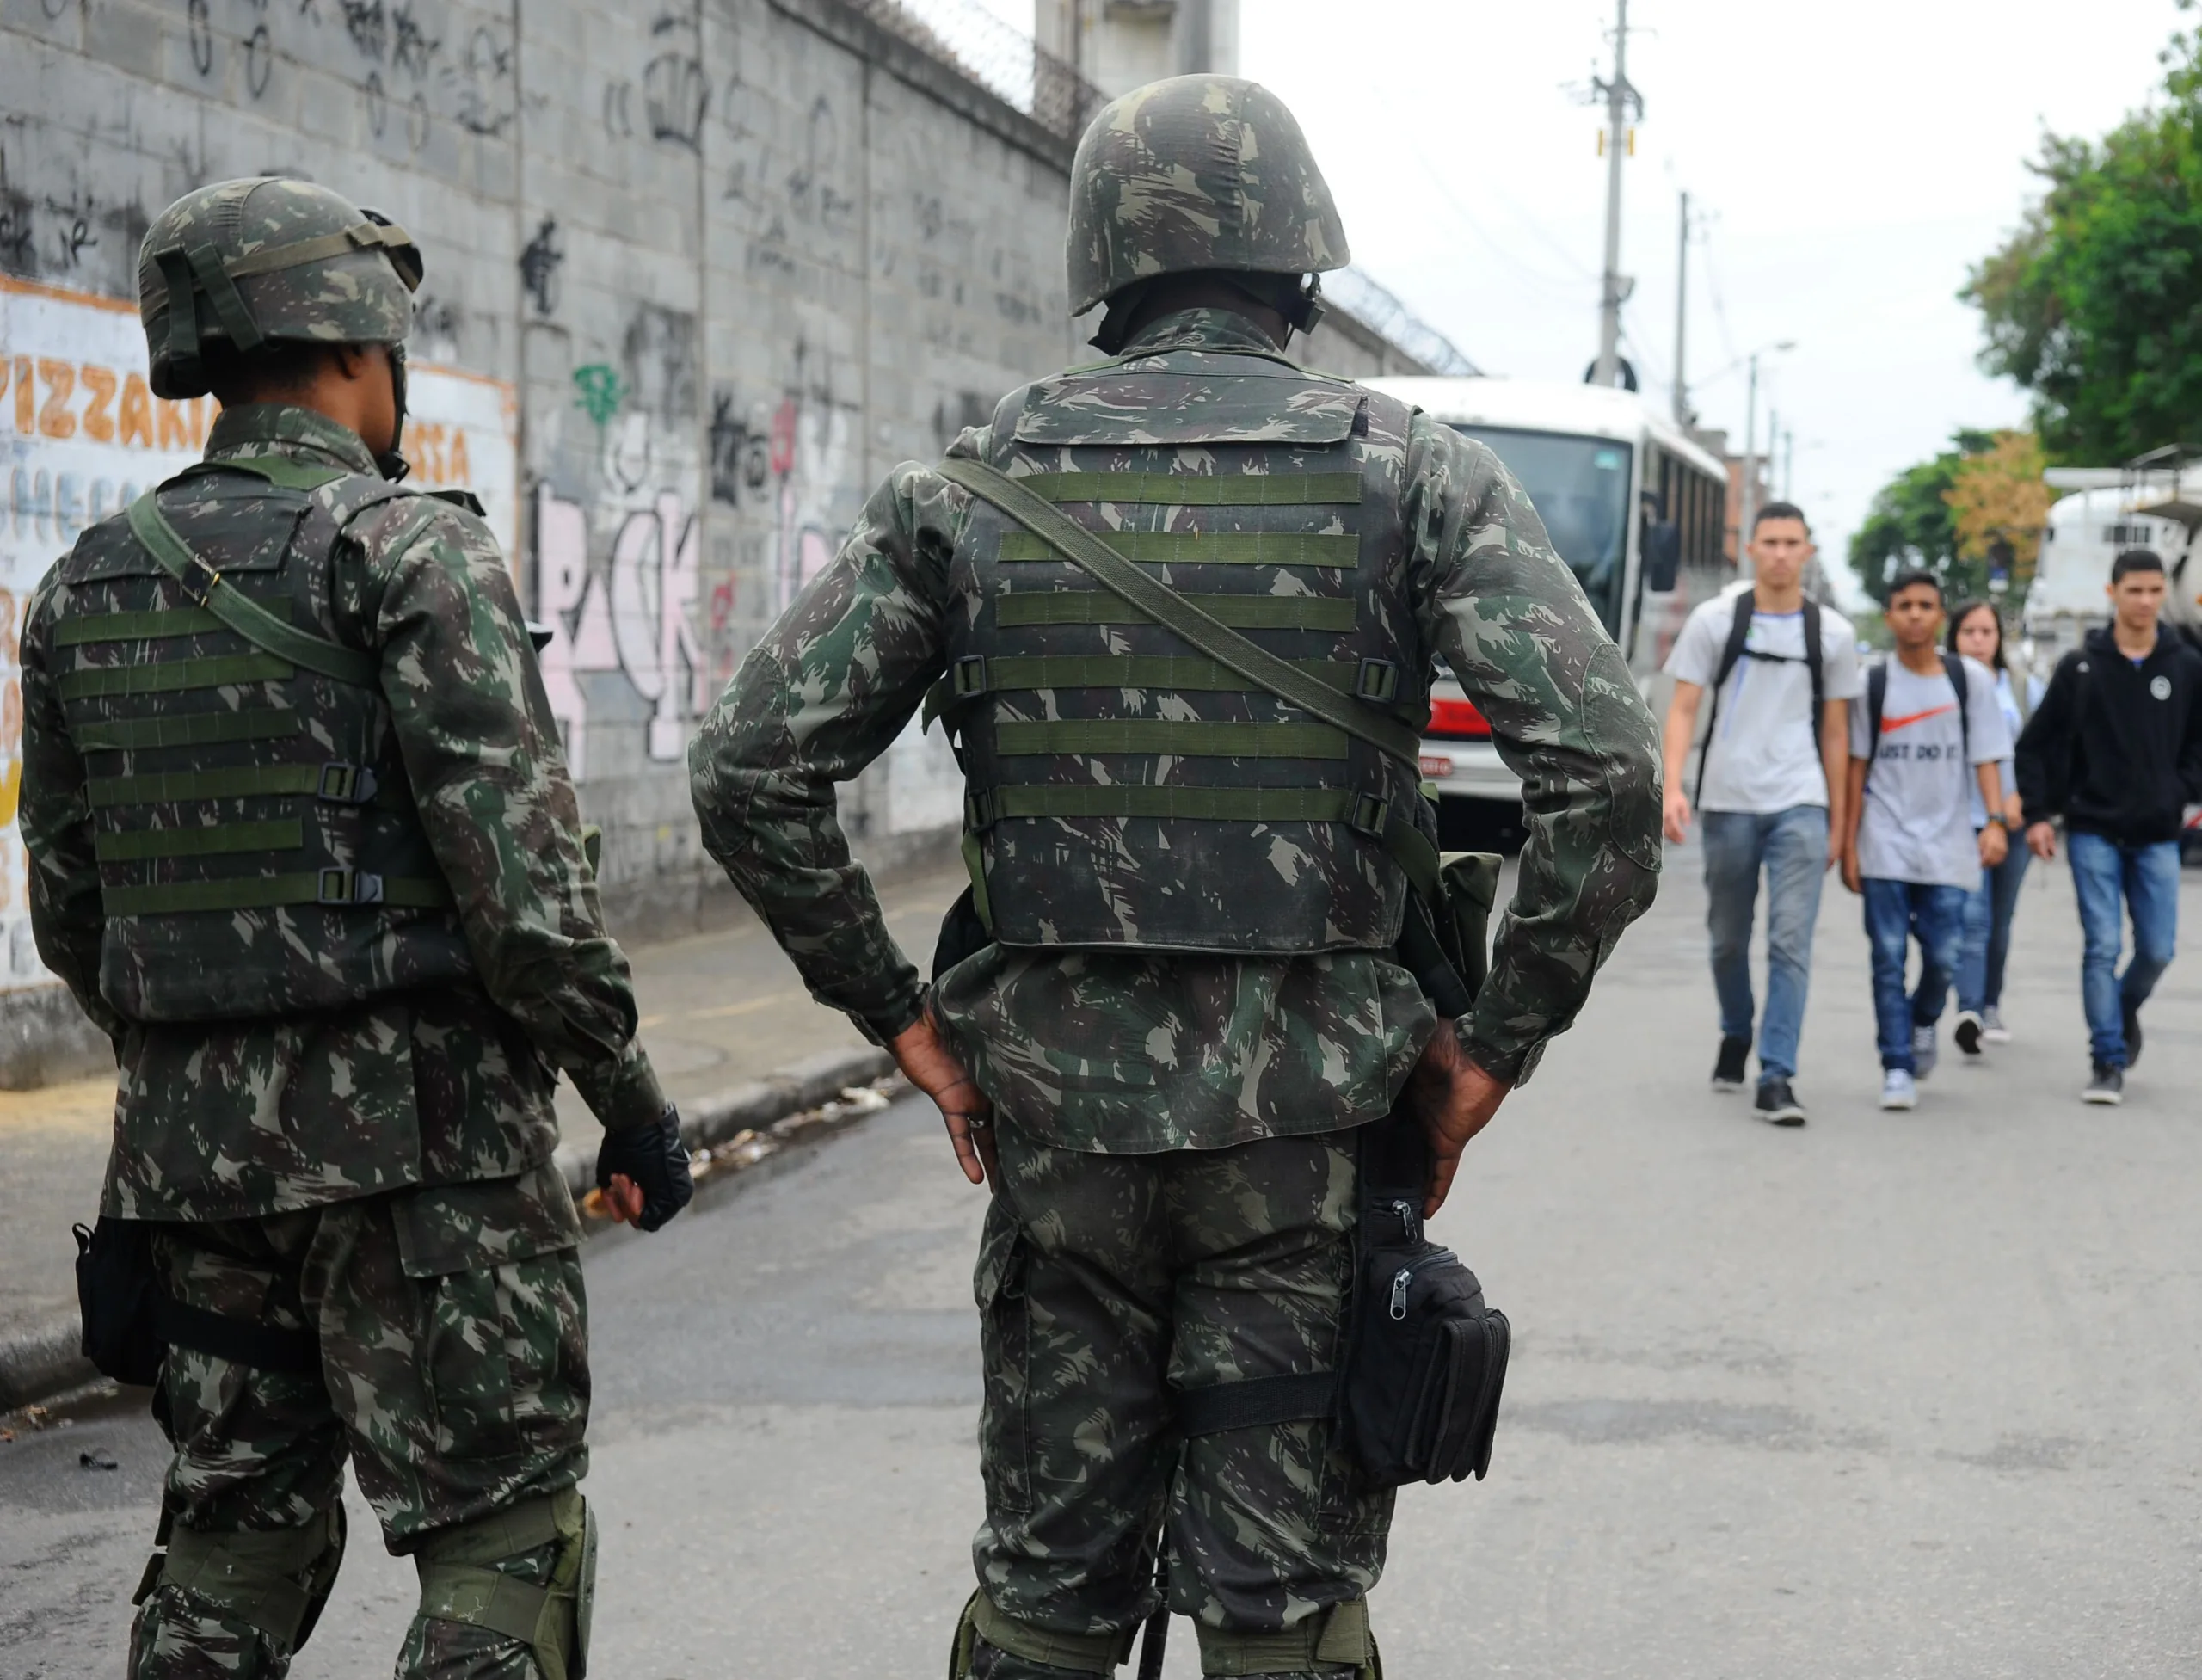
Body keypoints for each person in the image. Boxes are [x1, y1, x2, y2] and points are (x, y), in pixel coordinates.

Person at [689, 75, 1662, 1680]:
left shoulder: (967, 490)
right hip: (1307, 1147)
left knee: (1047, 1597)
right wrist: (1491, 1048)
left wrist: (900, 1018)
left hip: (1057, 1140)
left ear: (1105, 270)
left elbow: (747, 765)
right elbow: (1610, 775)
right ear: (1303, 270)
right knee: (1278, 1613)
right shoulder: (1410, 472)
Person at [18, 177, 694, 1680]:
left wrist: (209, 1046)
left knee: (232, 1531)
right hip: (427, 1165)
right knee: (502, 1538)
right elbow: (529, 906)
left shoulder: (82, 591)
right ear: (350, 345)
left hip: (188, 1164)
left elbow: (72, 911)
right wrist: (632, 1102)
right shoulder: (405, 553)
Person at [1660, 502, 1863, 1125]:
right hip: (1727, 799)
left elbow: (1837, 733)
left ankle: (1778, 1073)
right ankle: (1735, 1029)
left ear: (1808, 552)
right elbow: (1684, 708)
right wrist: (1672, 785)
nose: (1780, 552)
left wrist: (1837, 819)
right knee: (1727, 939)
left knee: (1789, 941)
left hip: (1800, 799)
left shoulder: (1832, 633)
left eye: (1791, 542)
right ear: (1751, 550)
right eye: (1769, 541)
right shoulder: (1716, 619)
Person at [2015, 548, 2202, 1104]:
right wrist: (2038, 813)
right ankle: (2108, 1059)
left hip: (2158, 833)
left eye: (2152, 591)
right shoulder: (2082, 667)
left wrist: (2180, 790)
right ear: (2112, 593)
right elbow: (2036, 744)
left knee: (2157, 949)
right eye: (2133, 591)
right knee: (2101, 944)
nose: (2144, 602)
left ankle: (2121, 1008)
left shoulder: (2187, 666)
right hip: (2094, 827)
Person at [1838, 572, 2011, 1111]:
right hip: (1885, 842)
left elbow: (1987, 757)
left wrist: (1998, 822)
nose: (1915, 614)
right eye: (1904, 605)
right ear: (1889, 615)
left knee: (1946, 955)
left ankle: (1923, 1020)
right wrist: (1847, 845)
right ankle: (1896, 1064)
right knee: (1887, 957)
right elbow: (1855, 768)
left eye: (1926, 605)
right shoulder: (1872, 684)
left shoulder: (1969, 682)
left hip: (1949, 845)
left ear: (1940, 616)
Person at [1947, 600, 2039, 1054]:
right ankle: (1969, 1009)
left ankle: (1989, 1002)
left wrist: (2026, 799)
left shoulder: (2021, 689)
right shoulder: (1941, 685)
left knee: (1999, 920)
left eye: (1987, 632)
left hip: (2014, 819)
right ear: (1954, 637)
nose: (1979, 640)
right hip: (1961, 820)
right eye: (1969, 632)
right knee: (1972, 917)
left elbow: (2044, 750)